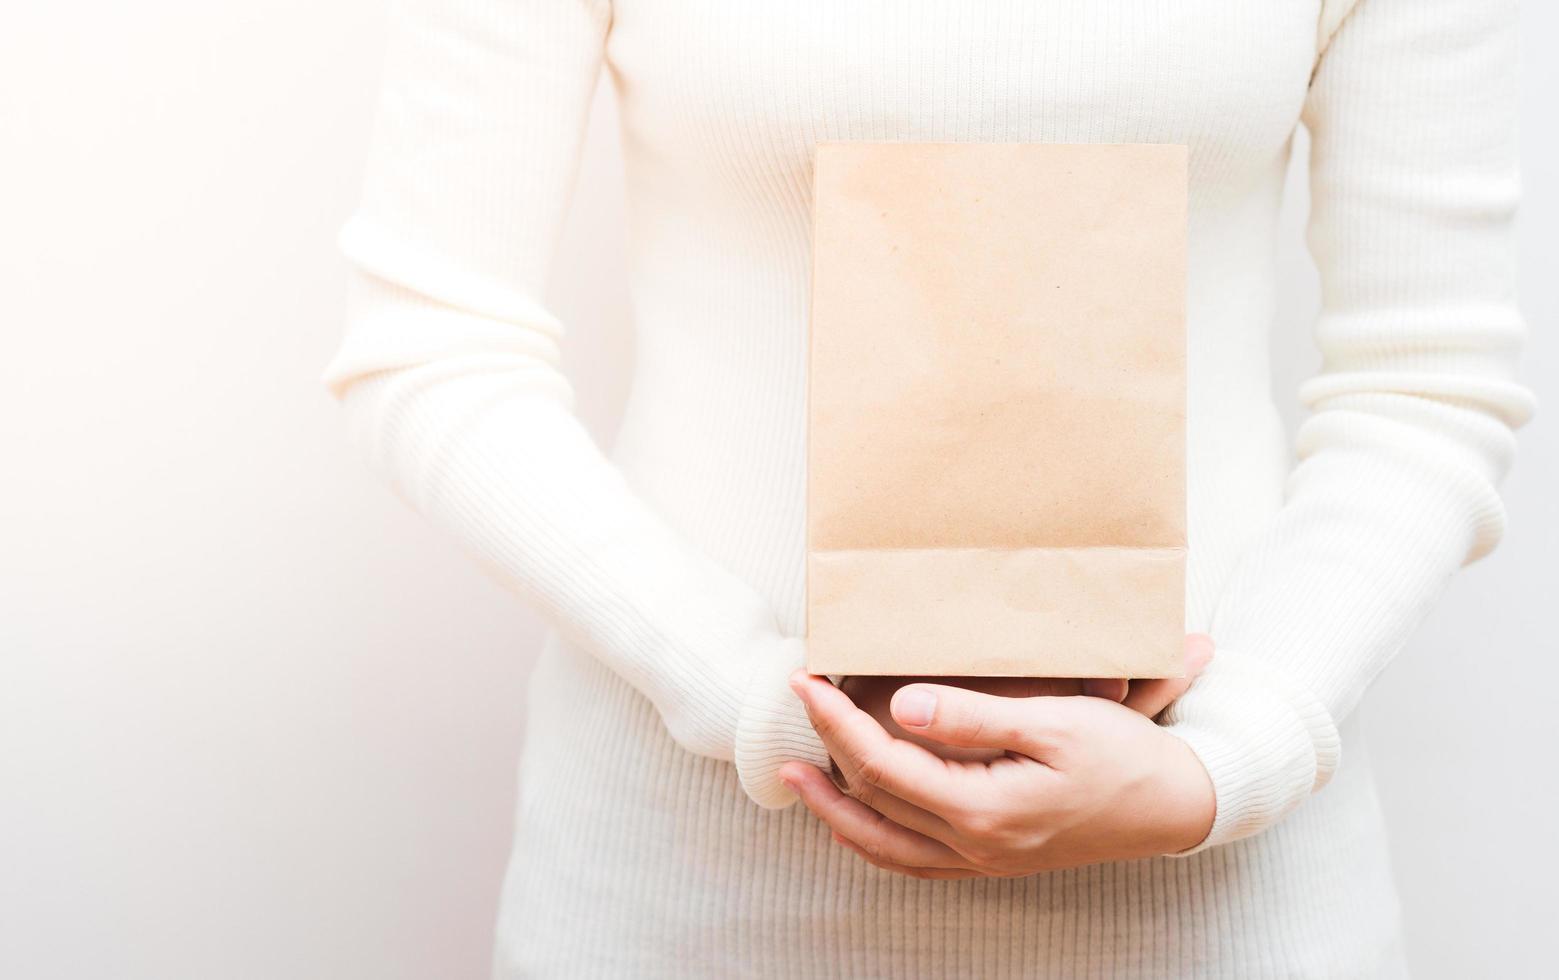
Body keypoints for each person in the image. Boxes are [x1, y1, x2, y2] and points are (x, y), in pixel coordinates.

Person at [319, 1, 1534, 975]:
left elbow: (1422, 382)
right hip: (686, 894)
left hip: (1221, 907)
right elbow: (433, 344)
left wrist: (1226, 760)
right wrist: (762, 697)